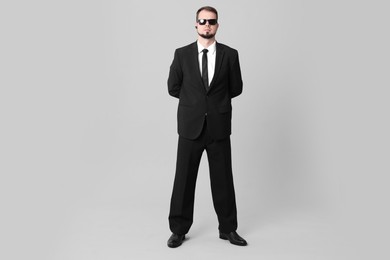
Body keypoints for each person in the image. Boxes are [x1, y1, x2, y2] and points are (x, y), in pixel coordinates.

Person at [167, 6, 247, 248]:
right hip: (190, 126)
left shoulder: (230, 55)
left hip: (218, 126)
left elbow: (236, 88)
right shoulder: (181, 54)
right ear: (195, 25)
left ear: (217, 26)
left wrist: (214, 105)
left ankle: (228, 229)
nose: (207, 25)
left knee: (223, 179)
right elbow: (173, 87)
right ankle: (178, 230)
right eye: (202, 21)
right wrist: (195, 103)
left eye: (211, 21)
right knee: (183, 180)